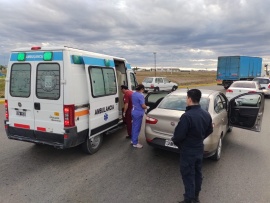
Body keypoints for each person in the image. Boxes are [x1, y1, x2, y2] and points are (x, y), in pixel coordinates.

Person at [172, 89, 213, 203]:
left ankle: (189, 199)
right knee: (197, 173)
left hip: (188, 150)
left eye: (186, 98)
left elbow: (178, 136)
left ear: (189, 99)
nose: (186, 100)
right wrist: (199, 138)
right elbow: (210, 130)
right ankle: (196, 196)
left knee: (188, 174)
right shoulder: (206, 114)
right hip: (199, 148)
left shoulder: (187, 116)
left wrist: (179, 144)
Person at [131, 84, 147, 148]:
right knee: (137, 128)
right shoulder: (140, 96)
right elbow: (143, 105)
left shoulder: (133, 94)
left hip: (133, 112)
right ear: (142, 89)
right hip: (138, 113)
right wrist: (147, 107)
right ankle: (135, 143)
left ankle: (133, 140)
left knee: (134, 127)